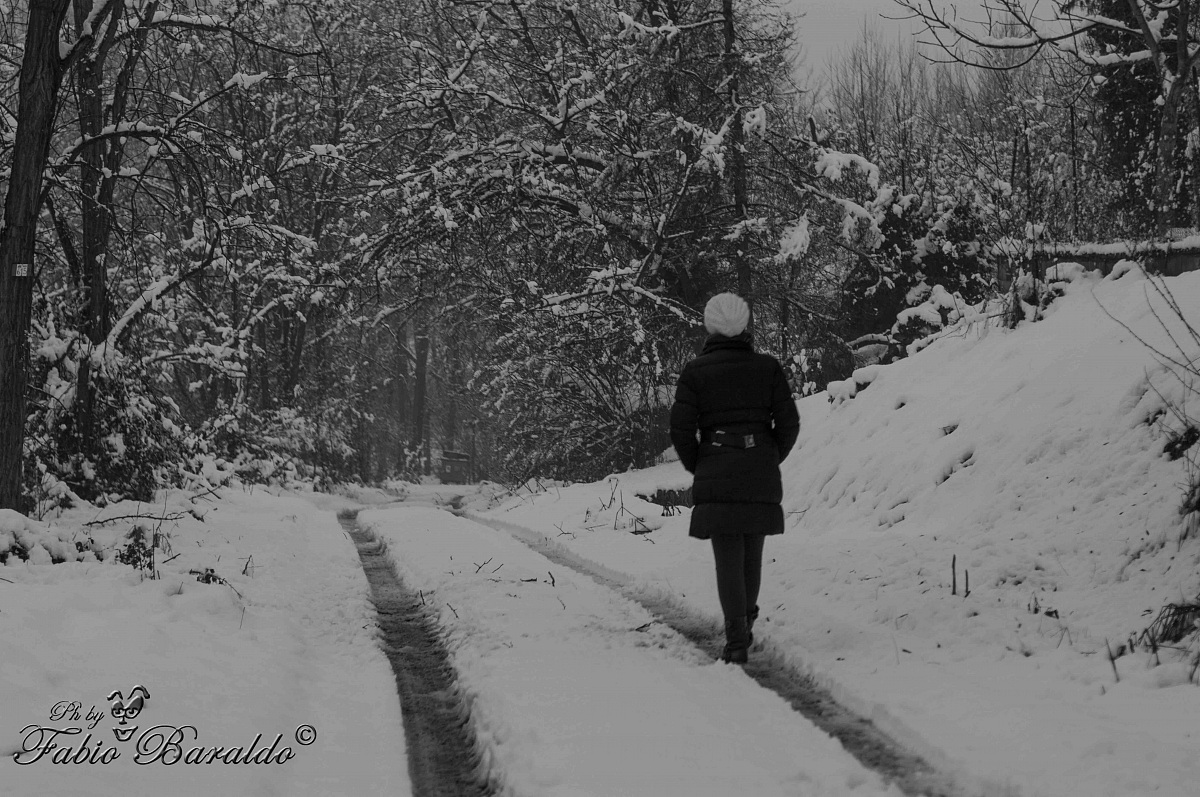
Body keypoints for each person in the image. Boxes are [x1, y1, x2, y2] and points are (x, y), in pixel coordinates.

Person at [669, 292, 801, 664]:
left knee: (727, 553)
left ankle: (736, 638)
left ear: (710, 326)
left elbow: (680, 430)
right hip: (759, 465)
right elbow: (788, 422)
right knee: (752, 550)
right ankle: (747, 620)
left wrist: (702, 464)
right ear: (744, 326)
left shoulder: (695, 372)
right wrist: (770, 454)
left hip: (716, 461)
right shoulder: (767, 368)